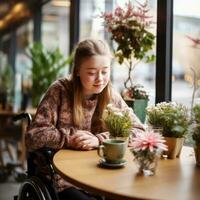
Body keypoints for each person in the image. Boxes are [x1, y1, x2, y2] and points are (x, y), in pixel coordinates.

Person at [25, 39, 145, 200]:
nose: (100, 78)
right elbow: (34, 136)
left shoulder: (109, 94)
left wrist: (100, 139)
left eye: (105, 71)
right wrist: (70, 139)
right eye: (91, 72)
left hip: (100, 173)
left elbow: (139, 131)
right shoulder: (59, 91)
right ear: (77, 71)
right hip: (62, 178)